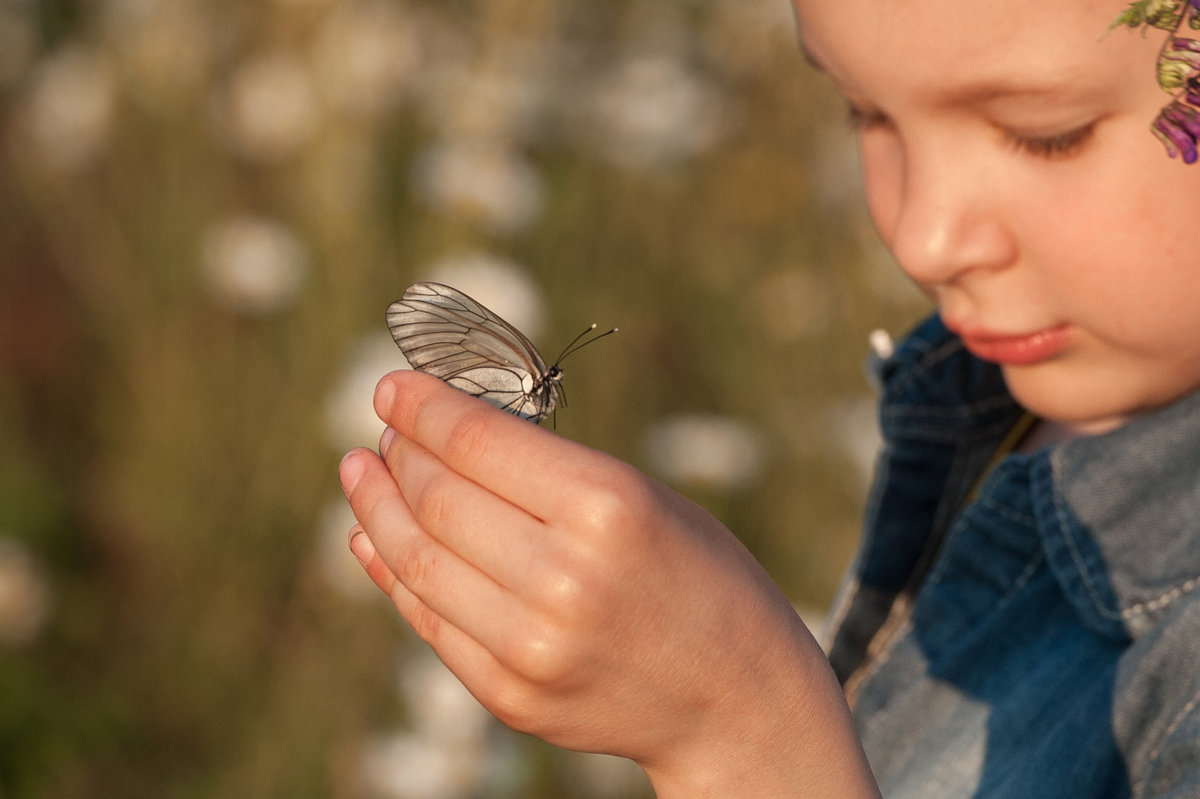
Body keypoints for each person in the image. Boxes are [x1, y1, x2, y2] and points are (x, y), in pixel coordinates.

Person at [338, 0, 1200, 795]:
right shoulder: (979, 404)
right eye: (864, 111)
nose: (922, 236)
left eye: (1043, 133)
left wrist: (739, 733)